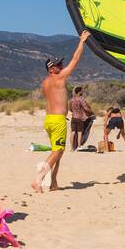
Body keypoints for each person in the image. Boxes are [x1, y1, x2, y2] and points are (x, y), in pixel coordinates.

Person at [33, 31, 90, 193]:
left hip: (49, 120)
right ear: (51, 69)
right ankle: (38, 180)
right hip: (58, 120)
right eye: (58, 65)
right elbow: (76, 59)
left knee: (57, 152)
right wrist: (82, 41)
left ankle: (54, 183)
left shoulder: (45, 82)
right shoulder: (59, 78)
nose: (62, 67)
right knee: (58, 151)